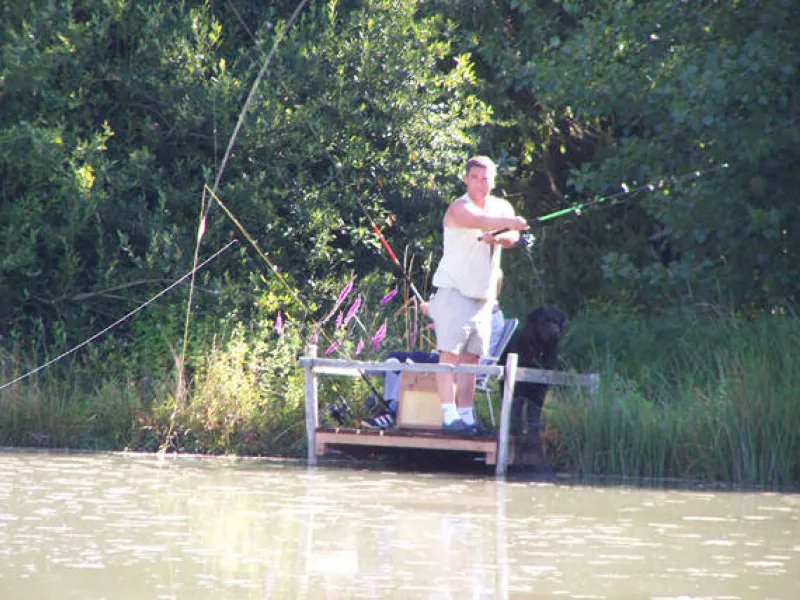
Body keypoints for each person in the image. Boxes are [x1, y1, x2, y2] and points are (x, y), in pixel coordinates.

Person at [427, 155, 529, 433]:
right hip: (454, 291)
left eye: (486, 179)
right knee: (449, 354)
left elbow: (513, 238)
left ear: (493, 181)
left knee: (472, 359)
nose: (480, 184)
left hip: (483, 297)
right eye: (475, 178)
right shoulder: (459, 207)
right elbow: (477, 220)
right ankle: (449, 416)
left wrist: (499, 236)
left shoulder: (501, 207)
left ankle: (466, 416)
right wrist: (508, 222)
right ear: (466, 180)